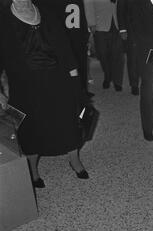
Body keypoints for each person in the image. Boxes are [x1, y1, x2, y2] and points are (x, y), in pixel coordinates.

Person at [0, 0, 88, 188]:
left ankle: (74, 160)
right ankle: (33, 170)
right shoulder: (3, 17)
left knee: (67, 121)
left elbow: (64, 46)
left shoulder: (46, 10)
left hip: (58, 79)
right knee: (32, 129)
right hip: (25, 86)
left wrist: (75, 78)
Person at [117, 0, 153, 141]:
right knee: (149, 89)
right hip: (148, 53)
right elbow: (137, 32)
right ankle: (147, 127)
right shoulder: (137, 4)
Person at [84, 0, 124, 91]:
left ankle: (117, 81)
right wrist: (91, 23)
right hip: (99, 25)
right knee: (102, 54)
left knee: (117, 55)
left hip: (117, 24)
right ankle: (107, 74)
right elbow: (88, 4)